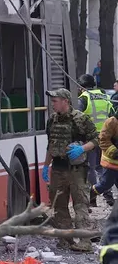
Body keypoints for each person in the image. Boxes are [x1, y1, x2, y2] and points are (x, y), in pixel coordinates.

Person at [41, 88, 99, 251]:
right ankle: (65, 239)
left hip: (76, 170)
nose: (53, 104)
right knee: (59, 205)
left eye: (55, 101)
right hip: (58, 169)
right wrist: (46, 165)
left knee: (80, 204)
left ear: (65, 101)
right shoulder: (52, 121)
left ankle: (85, 241)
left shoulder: (80, 119)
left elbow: (96, 139)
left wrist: (82, 149)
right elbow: (51, 145)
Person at [77, 73, 113, 205]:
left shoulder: (83, 98)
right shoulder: (105, 96)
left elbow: (77, 118)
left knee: (91, 168)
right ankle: (108, 195)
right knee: (104, 167)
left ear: (82, 87)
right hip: (106, 137)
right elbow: (112, 115)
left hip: (90, 139)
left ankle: (93, 198)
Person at [91, 112, 118, 206]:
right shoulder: (112, 122)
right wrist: (114, 152)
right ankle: (88, 198)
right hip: (112, 163)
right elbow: (103, 140)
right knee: (104, 184)